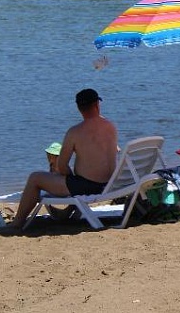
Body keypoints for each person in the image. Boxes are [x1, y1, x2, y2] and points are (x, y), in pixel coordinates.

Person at [8, 89, 118, 230]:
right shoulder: (111, 127)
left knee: (35, 178)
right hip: (109, 183)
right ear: (97, 105)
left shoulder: (75, 132)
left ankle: (17, 223)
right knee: (75, 179)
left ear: (79, 109)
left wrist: (69, 174)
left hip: (87, 186)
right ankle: (67, 212)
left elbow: (62, 165)